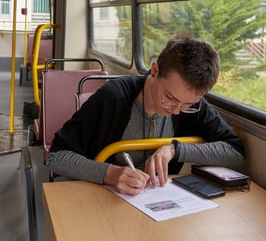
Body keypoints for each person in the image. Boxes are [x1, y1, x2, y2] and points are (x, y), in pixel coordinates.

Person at [46, 34, 245, 195]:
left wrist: (174, 149)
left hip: (153, 203)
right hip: (102, 197)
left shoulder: (193, 107)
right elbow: (55, 157)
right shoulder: (113, 98)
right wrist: (110, 174)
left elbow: (235, 154)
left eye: (187, 104)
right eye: (169, 97)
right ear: (155, 70)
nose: (176, 110)